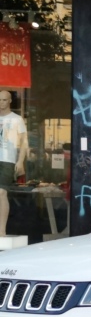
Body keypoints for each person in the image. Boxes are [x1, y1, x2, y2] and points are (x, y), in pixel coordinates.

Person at [0, 89, 29, 237]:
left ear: (10, 101)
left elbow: (24, 142)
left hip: (7, 159)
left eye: (4, 100)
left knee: (1, 192)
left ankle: (2, 231)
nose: (1, 103)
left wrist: (20, 161)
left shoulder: (17, 119)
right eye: (0, 100)